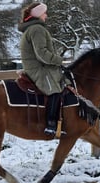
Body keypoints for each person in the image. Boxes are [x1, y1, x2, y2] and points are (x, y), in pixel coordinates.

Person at [18, 2, 66, 135]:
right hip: (39, 69)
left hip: (38, 67)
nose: (46, 15)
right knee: (55, 91)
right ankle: (51, 125)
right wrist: (59, 60)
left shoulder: (33, 28)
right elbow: (42, 54)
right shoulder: (37, 29)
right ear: (38, 15)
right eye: (44, 13)